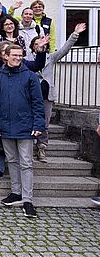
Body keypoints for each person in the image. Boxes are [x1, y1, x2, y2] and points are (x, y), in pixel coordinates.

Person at [0, 44, 45, 218]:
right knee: (12, 161)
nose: (17, 58)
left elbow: (38, 103)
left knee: (26, 163)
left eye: (20, 55)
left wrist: (38, 125)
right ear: (6, 56)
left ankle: (27, 200)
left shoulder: (30, 76)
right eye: (14, 55)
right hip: (5, 126)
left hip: (25, 126)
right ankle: (16, 192)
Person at [36, 23, 86, 163]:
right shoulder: (27, 61)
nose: (40, 46)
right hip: (31, 97)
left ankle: (41, 148)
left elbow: (64, 50)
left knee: (44, 123)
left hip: (47, 96)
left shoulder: (50, 58)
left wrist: (75, 34)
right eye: (37, 44)